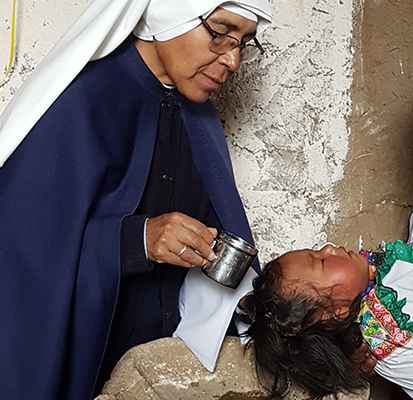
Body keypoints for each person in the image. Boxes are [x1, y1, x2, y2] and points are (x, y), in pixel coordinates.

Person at [0, 0, 271, 398]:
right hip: (85, 362)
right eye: (219, 33)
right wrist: (138, 239)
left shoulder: (199, 115)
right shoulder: (81, 99)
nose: (233, 60)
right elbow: (21, 249)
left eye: (245, 42)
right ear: (169, 12)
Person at [242, 240, 413, 400]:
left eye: (317, 249)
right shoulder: (389, 311)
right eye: (322, 260)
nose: (329, 247)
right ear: (337, 312)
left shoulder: (363, 327)